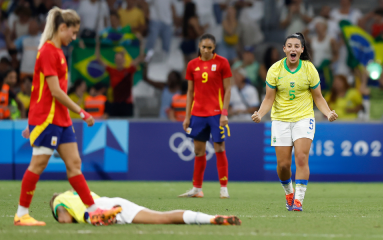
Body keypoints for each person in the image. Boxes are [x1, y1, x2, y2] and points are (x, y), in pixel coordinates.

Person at [15, 7, 121, 227]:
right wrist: (81, 112)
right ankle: (21, 214)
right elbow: (54, 91)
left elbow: (42, 90)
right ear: (62, 27)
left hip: (61, 119)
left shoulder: (59, 52)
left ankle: (93, 212)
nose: (74, 38)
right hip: (47, 119)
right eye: (72, 33)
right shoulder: (47, 52)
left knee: (74, 164)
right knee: (38, 164)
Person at [251, 33, 338, 212]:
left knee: (301, 157)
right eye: (289, 46)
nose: (293, 49)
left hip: (304, 118)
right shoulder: (274, 70)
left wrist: (328, 113)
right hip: (280, 119)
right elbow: (268, 99)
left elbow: (318, 97)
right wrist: (260, 114)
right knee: (283, 166)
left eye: (296, 46)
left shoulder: (309, 69)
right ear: (284, 49)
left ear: (302, 50)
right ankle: (288, 192)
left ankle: (298, 201)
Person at [179, 34, 232, 199]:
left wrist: (224, 113)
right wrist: (187, 116)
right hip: (198, 115)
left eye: (210, 47)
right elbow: (189, 92)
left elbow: (228, 90)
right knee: (198, 151)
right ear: (199, 47)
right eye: (204, 47)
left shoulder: (222, 63)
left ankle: (223, 188)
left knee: (219, 148)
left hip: (216, 114)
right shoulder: (192, 65)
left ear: (214, 47)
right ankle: (197, 189)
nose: (207, 50)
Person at [50, 190, 241, 225]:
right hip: (112, 202)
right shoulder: (78, 193)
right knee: (162, 217)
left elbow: (65, 217)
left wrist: (58, 213)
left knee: (161, 218)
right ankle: (209, 218)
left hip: (97, 211)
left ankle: (100, 218)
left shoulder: (60, 201)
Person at [95, 34, 144, 117]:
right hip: (115, 104)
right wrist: (98, 43)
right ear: (115, 60)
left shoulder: (129, 70)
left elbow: (141, 57)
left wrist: (141, 42)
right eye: (117, 59)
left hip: (127, 104)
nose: (119, 61)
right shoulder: (111, 70)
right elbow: (98, 58)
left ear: (124, 59)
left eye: (120, 59)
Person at [180, 2, 207, 67]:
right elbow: (199, 32)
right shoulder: (193, 19)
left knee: (186, 66)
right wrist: (205, 28)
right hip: (191, 44)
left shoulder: (185, 19)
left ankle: (184, 77)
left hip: (184, 42)